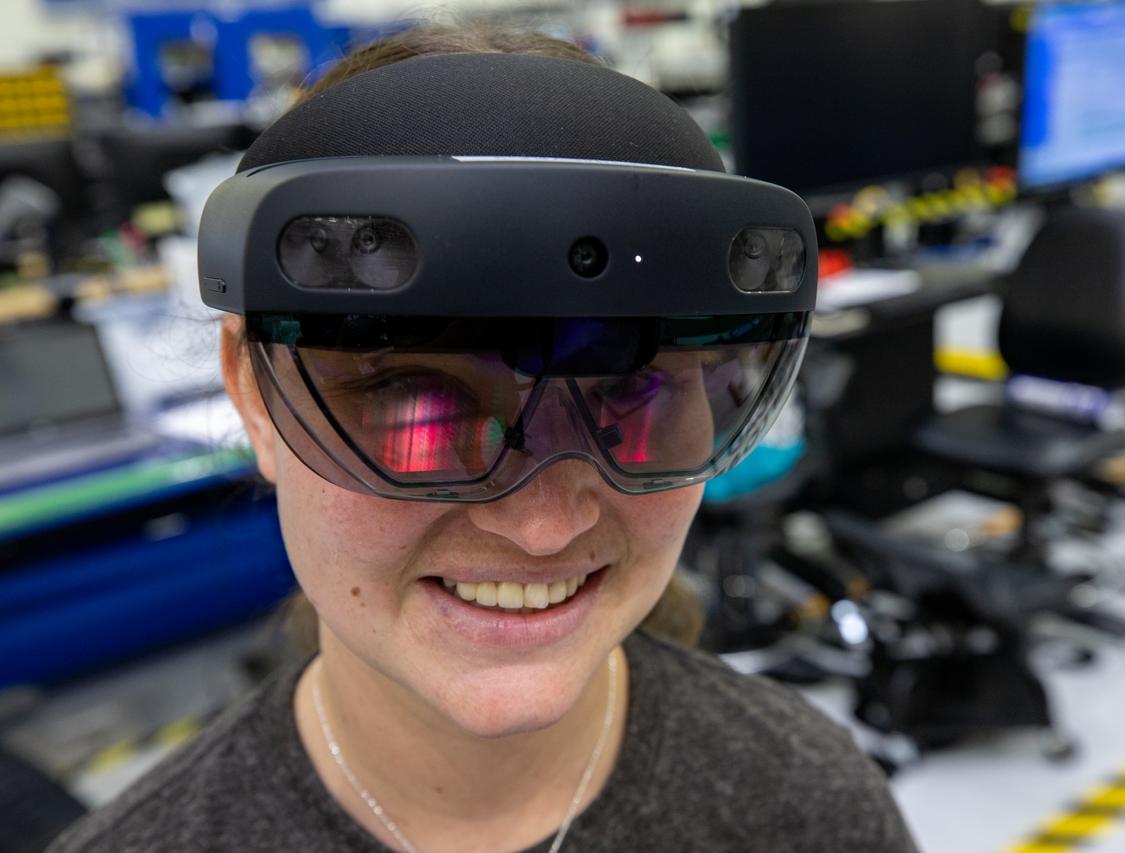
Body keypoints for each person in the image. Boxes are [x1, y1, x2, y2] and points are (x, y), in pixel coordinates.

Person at [49, 24, 918, 853]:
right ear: (255, 396)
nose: (543, 525)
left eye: (635, 394)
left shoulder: (809, 804)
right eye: (416, 408)